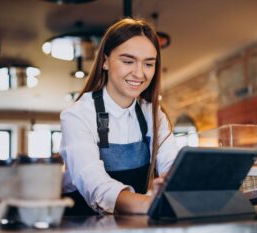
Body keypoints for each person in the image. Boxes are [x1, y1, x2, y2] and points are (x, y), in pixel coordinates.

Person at [60, 18, 178, 215]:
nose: (139, 73)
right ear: (105, 61)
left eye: (148, 64)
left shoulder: (153, 114)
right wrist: (149, 204)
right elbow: (95, 184)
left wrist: (172, 182)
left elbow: (171, 163)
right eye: (128, 61)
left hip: (131, 223)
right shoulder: (78, 115)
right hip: (82, 223)